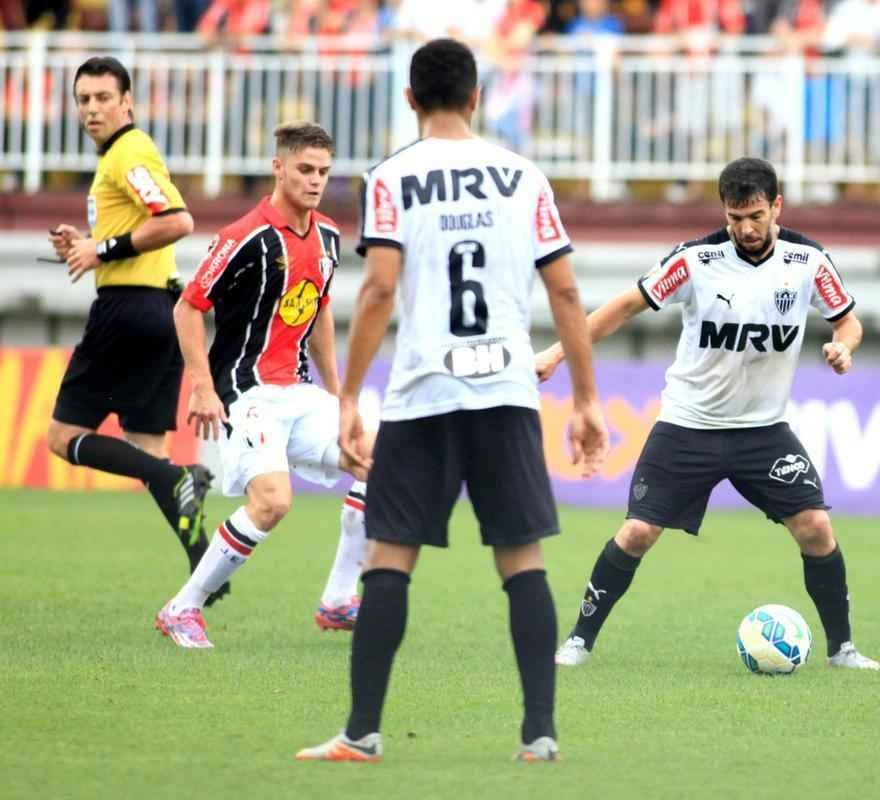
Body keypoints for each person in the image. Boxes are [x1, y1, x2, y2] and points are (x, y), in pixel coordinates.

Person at [296, 37, 608, 765]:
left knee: (389, 558)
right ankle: (539, 735)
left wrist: (347, 397)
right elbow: (564, 290)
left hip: (423, 395)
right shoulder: (522, 175)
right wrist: (587, 397)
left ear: (410, 100)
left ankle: (361, 734)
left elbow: (377, 290)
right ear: (476, 98)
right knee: (521, 559)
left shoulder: (392, 176)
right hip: (505, 391)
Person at [540, 157, 880, 672]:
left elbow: (847, 321)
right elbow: (624, 307)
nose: (746, 228)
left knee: (815, 526)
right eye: (735, 217)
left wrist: (843, 347)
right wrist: (556, 352)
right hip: (687, 426)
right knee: (636, 533)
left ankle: (843, 650)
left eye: (756, 216)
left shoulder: (807, 261)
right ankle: (579, 641)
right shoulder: (694, 260)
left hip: (762, 432)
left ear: (777, 207)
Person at [154, 121, 372, 648]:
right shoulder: (242, 237)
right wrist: (202, 386)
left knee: (377, 459)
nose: (315, 180)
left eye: (323, 171)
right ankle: (182, 608)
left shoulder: (329, 238)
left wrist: (342, 398)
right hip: (245, 393)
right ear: (278, 167)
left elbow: (317, 314)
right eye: (304, 169)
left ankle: (339, 598)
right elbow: (187, 308)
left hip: (297, 391)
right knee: (273, 502)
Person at [46, 56, 220, 599]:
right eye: (84, 99)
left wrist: (100, 249)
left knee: (62, 438)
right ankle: (206, 569)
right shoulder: (117, 161)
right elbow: (134, 234)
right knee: (149, 450)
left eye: (103, 97)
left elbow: (176, 220)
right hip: (160, 313)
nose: (92, 108)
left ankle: (176, 479)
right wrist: (87, 244)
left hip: (128, 313)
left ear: (127, 101)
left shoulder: (130, 151)